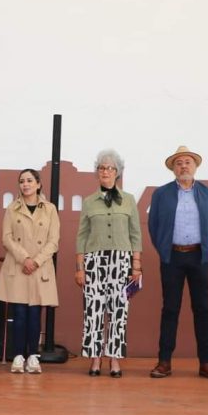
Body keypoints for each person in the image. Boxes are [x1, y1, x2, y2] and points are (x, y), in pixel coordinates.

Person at [147, 145, 208, 380]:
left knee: (203, 310)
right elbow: (153, 226)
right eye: (178, 163)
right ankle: (164, 362)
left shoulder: (207, 193)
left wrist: (206, 250)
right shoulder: (161, 194)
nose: (183, 166)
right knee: (170, 309)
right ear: (173, 169)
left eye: (188, 162)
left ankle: (207, 363)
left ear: (195, 166)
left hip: (199, 257)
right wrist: (163, 250)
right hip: (172, 257)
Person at [75, 149, 142, 379]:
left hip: (122, 262)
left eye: (110, 168)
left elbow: (136, 235)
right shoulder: (88, 202)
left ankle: (114, 359)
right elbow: (81, 237)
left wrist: (136, 266)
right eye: (102, 168)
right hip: (94, 262)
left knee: (118, 311)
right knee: (93, 311)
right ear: (97, 173)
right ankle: (95, 359)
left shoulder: (130, 200)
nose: (105, 171)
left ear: (118, 173)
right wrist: (80, 268)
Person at [0, 169, 60, 374]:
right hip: (18, 266)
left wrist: (36, 261)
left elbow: (53, 241)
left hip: (39, 269)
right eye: (22, 181)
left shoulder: (49, 209)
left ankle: (33, 356)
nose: (25, 184)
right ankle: (18, 356)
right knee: (19, 314)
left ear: (39, 184)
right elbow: (7, 238)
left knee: (34, 315)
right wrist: (25, 258)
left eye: (30, 180)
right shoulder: (12, 208)